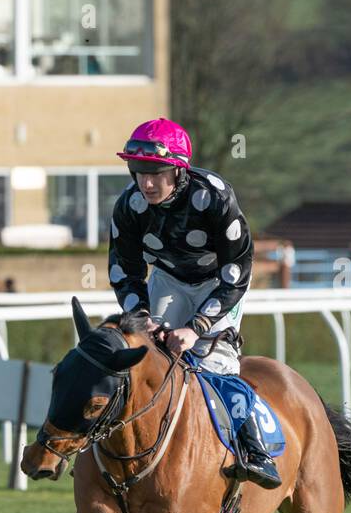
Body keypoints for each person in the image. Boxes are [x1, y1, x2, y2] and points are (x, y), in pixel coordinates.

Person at [107, 118, 280, 489]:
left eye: (156, 173)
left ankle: (254, 451)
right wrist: (141, 319)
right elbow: (124, 270)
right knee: (142, 355)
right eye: (138, 172)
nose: (146, 183)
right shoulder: (130, 205)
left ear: (179, 170)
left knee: (214, 365)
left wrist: (195, 328)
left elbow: (237, 273)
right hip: (169, 279)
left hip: (221, 284)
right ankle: (107, 450)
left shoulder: (214, 196)